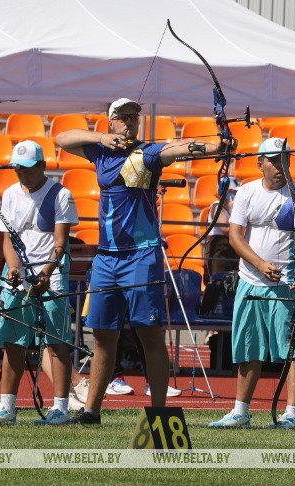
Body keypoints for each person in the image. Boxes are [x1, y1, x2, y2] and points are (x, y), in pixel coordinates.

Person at [56, 97, 235, 424]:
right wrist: (100, 138)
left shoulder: (148, 153)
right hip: (107, 258)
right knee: (101, 335)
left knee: (148, 334)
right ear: (110, 122)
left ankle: (159, 415)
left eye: (134, 116)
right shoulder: (100, 152)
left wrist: (215, 145)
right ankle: (91, 411)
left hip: (141, 255)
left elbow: (179, 148)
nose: (130, 121)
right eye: (123, 117)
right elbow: (61, 138)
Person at [208, 138, 295, 429]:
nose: (280, 165)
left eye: (284, 159)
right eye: (273, 160)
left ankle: (292, 414)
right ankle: (240, 411)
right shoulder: (246, 191)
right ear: (260, 163)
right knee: (248, 347)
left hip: (286, 286)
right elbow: (235, 237)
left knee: (292, 349)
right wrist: (260, 265)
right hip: (249, 282)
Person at [0, 140, 78, 425]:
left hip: (52, 276)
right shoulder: (9, 193)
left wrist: (45, 272)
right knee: (13, 340)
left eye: (29, 169)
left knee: (55, 342)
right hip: (19, 277)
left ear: (43, 166)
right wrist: (13, 266)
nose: (23, 174)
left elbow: (60, 243)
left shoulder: (61, 194)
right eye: (18, 169)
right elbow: (6, 238)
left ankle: (60, 409)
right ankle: (7, 406)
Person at [204, 179, 240, 283]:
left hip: (229, 250)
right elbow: (227, 229)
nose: (235, 194)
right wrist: (235, 211)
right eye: (232, 191)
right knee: (219, 282)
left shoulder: (228, 207)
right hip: (219, 249)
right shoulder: (217, 205)